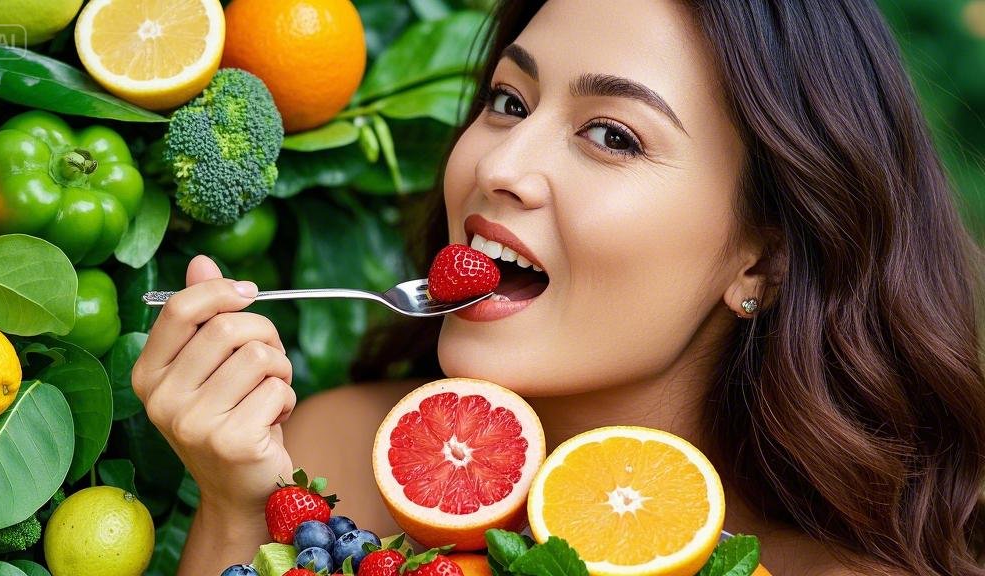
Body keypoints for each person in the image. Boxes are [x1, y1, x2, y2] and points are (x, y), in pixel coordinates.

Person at [131, 1, 985, 574]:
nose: (499, 165)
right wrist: (236, 511)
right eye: (508, 100)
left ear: (761, 258)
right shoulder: (336, 459)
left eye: (612, 135)